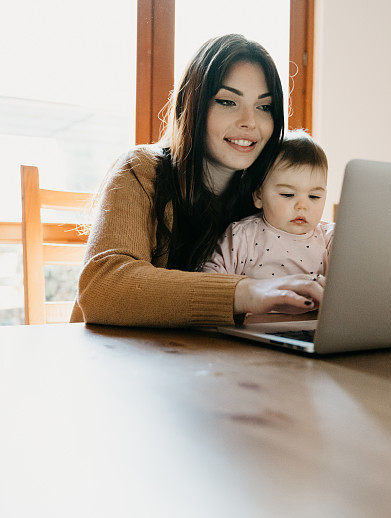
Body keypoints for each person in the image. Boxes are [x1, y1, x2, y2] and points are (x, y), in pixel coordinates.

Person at [70, 34, 324, 327]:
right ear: (193, 104)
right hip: (116, 357)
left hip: (214, 361)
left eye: (264, 107)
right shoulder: (141, 169)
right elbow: (102, 288)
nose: (250, 122)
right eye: (228, 101)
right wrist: (243, 292)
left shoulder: (269, 192)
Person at [201, 130, 334, 282]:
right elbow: (209, 278)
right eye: (288, 194)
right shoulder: (243, 235)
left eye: (314, 196)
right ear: (259, 196)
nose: (302, 206)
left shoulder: (330, 239)